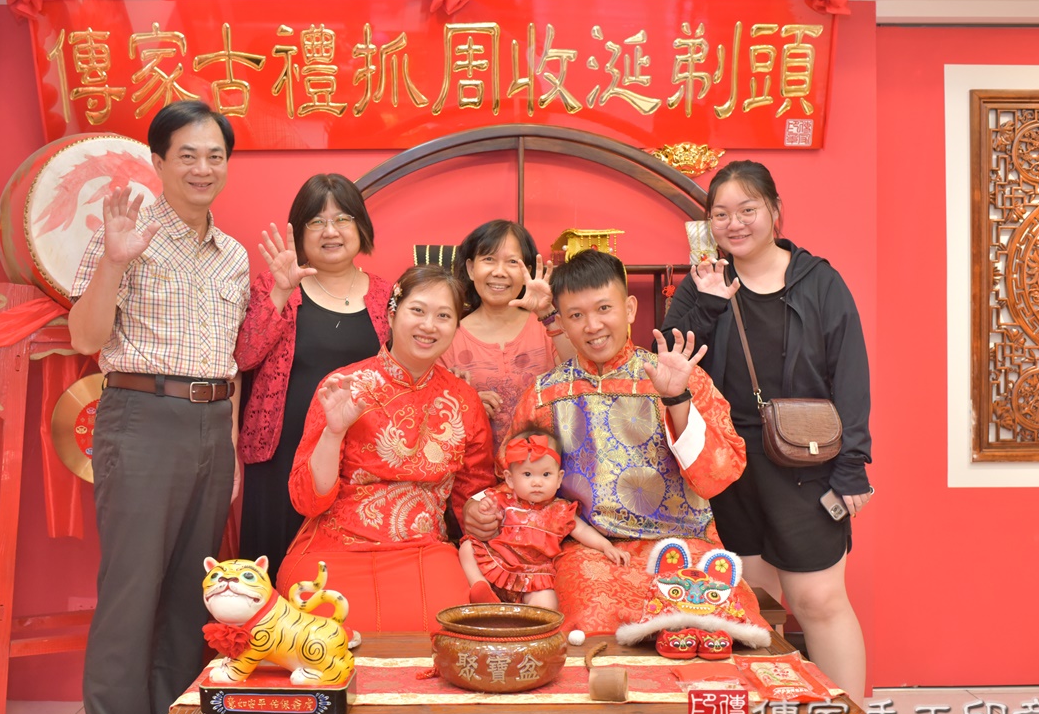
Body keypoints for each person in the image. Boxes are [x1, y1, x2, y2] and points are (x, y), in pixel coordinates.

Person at [68, 101, 248, 714]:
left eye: (214, 156)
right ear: (158, 161)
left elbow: (230, 362)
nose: (203, 168)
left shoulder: (233, 257)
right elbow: (86, 338)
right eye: (187, 155)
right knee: (131, 592)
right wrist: (114, 264)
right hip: (142, 417)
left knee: (189, 598)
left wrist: (229, 447)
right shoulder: (126, 238)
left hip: (211, 426)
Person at [658, 159, 873, 700]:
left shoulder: (819, 282)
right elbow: (671, 362)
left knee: (819, 602)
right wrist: (710, 306)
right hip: (729, 466)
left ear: (774, 211)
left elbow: (850, 376)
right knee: (753, 604)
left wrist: (852, 466)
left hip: (805, 462)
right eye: (721, 214)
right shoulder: (702, 283)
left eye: (747, 209)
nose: (734, 224)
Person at [464, 249, 751, 635]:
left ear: (629, 309)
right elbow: (514, 479)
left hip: (682, 545)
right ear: (561, 322)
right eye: (576, 315)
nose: (593, 326)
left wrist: (677, 401)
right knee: (592, 624)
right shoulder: (545, 395)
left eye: (604, 308)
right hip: (587, 550)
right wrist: (481, 508)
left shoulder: (679, 377)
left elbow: (720, 476)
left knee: (717, 629)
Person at [277, 265, 495, 632]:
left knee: (442, 628)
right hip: (335, 548)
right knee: (321, 635)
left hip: (423, 551)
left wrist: (481, 512)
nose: (429, 325)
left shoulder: (465, 400)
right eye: (418, 310)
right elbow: (308, 501)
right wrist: (333, 432)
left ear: (456, 327)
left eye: (444, 316)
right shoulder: (343, 386)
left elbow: (474, 492)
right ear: (392, 314)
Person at [235, 174, 392, 579]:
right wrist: (280, 292)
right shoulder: (274, 285)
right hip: (280, 456)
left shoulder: (386, 295)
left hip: (358, 461)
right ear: (299, 232)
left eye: (342, 219)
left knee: (340, 573)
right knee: (273, 567)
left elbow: (405, 367)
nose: (330, 231)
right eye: (316, 222)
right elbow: (244, 357)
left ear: (361, 226)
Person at [439, 220, 574, 453]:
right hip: (475, 468)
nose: (499, 272)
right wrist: (467, 405)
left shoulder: (548, 327)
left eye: (512, 262)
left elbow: (581, 376)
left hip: (545, 468)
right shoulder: (448, 336)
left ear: (527, 272)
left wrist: (547, 312)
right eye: (489, 259)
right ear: (471, 269)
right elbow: (431, 410)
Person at [460, 429, 629, 609]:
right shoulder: (503, 499)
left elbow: (583, 530)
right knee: (467, 547)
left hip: (534, 576)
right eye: (527, 474)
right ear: (510, 479)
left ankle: (528, 619)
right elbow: (481, 512)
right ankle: (481, 588)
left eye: (546, 474)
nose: (537, 482)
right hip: (497, 563)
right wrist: (486, 509)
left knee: (548, 601)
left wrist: (606, 546)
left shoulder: (560, 509)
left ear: (559, 478)